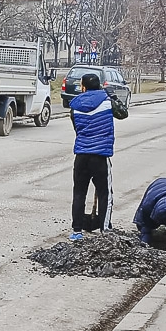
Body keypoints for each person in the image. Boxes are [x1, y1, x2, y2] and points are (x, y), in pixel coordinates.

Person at [68, 73, 115, 241]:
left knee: (79, 192)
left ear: (83, 87)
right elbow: (123, 113)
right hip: (100, 156)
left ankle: (77, 231)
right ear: (100, 85)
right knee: (105, 193)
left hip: (81, 155)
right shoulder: (107, 102)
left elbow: (77, 128)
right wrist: (113, 96)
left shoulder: (75, 105)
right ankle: (105, 229)